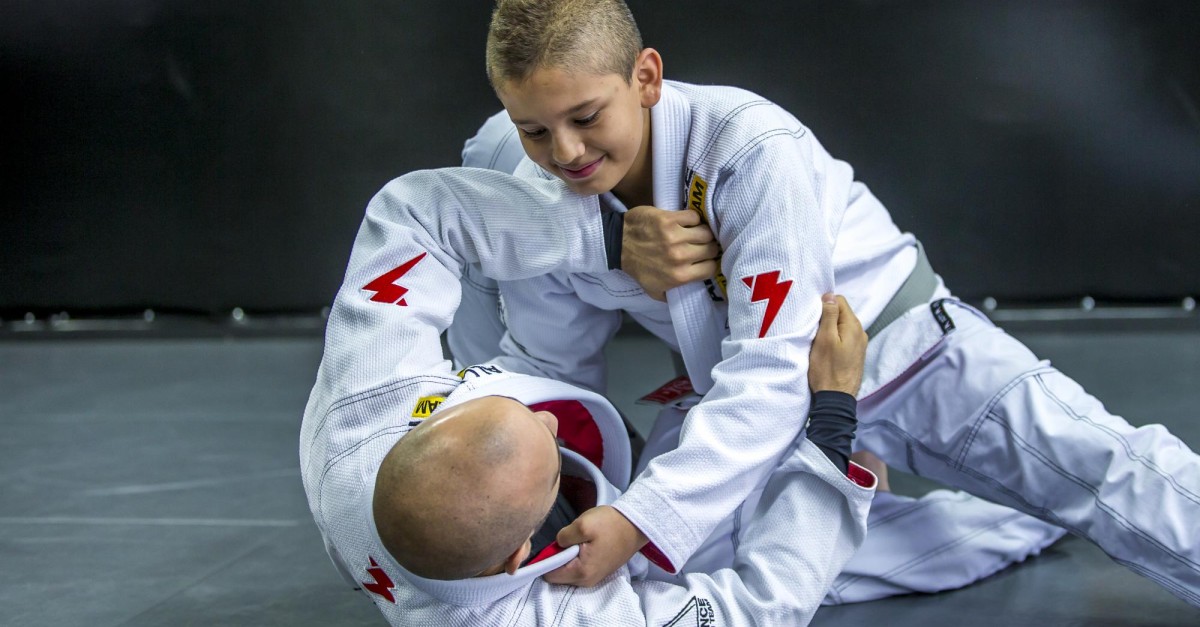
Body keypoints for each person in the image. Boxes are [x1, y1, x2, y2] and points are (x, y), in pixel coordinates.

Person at [464, 0, 1200, 606]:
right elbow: (551, 365)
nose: (564, 151)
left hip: (897, 346)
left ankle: (1022, 501)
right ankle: (1002, 521)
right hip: (738, 395)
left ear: (647, 77)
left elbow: (772, 368)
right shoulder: (515, 172)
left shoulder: (747, 149)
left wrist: (641, 513)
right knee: (676, 567)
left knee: (1103, 473)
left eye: (587, 117)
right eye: (535, 129)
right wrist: (605, 242)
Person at [299, 165, 877, 625]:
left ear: (422, 429)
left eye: (517, 418)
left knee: (495, 148)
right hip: (597, 558)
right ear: (520, 556)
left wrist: (609, 239)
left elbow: (415, 211)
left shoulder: (365, 406)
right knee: (869, 547)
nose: (550, 425)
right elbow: (762, 608)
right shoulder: (554, 617)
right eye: (549, 466)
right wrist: (830, 427)